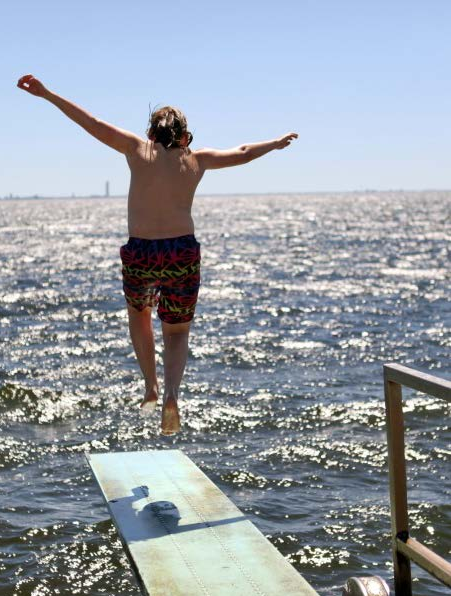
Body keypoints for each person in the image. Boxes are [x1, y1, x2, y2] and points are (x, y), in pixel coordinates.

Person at [17, 74, 297, 435]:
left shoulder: (137, 150)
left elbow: (92, 123)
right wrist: (274, 144)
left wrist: (48, 94)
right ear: (184, 135)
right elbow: (242, 153)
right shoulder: (198, 159)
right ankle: (172, 396)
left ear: (151, 132)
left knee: (140, 316)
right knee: (177, 332)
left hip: (142, 251)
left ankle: (150, 385)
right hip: (181, 250)